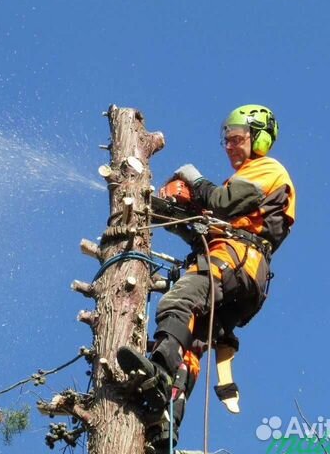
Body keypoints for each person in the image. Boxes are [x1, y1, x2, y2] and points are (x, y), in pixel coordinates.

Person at [117, 104, 296, 451]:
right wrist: (169, 210)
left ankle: (159, 373)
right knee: (191, 344)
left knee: (179, 300)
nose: (230, 146)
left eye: (237, 139)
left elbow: (223, 202)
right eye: (226, 141)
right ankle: (164, 424)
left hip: (236, 261)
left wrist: (195, 180)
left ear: (258, 138)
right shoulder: (249, 181)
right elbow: (210, 222)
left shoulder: (266, 169)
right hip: (241, 276)